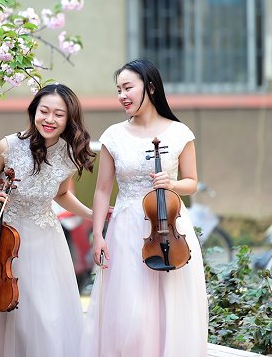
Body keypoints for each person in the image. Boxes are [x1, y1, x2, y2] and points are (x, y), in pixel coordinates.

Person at [84, 59, 208, 356]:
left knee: (169, 310)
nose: (122, 96)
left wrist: (172, 183)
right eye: (118, 90)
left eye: (128, 88)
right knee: (131, 316)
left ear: (150, 88)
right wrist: (98, 235)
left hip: (170, 229)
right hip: (125, 229)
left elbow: (191, 182)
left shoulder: (179, 132)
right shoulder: (113, 135)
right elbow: (102, 191)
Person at [0, 84, 96, 357]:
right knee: (6, 308)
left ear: (69, 119)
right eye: (44, 111)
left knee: (44, 313)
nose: (49, 119)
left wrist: (92, 214)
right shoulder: (9, 145)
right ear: (34, 112)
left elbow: (61, 194)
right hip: (4, 238)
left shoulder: (69, 154)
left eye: (58, 114)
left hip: (44, 239)